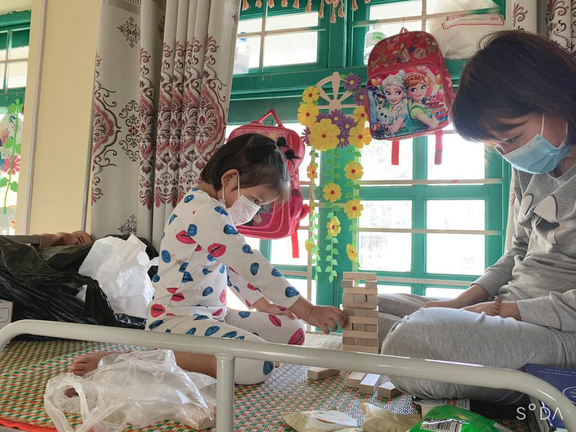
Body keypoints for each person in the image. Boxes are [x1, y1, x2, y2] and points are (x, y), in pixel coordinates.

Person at [379, 30, 576, 404]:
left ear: (554, 98)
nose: (509, 154)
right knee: (371, 310)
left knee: (411, 339)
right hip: (512, 308)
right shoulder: (531, 165)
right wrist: (463, 302)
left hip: (562, 334)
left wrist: (504, 311)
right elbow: (518, 249)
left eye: (512, 139)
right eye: (497, 147)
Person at [72, 133, 348, 384]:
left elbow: (231, 266)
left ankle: (217, 351)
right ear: (229, 179)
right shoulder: (202, 211)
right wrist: (308, 309)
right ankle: (132, 359)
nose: (256, 211)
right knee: (258, 365)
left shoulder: (215, 210)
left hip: (215, 316)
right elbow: (248, 262)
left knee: (294, 331)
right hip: (175, 322)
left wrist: (262, 304)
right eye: (256, 200)